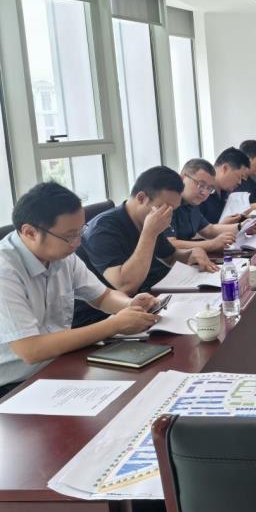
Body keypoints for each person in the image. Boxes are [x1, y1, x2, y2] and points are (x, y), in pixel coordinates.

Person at [0, 183, 160, 397]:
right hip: (15, 386)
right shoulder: (5, 272)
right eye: (69, 236)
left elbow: (102, 296)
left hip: (61, 362)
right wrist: (114, 324)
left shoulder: (62, 255)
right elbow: (31, 350)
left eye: (80, 231)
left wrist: (130, 305)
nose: (77, 243)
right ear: (30, 232)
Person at [78, 166, 214, 300]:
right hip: (110, 309)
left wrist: (191, 253)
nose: (168, 215)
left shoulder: (148, 218)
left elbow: (170, 257)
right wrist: (149, 233)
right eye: (164, 208)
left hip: (149, 294)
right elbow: (126, 286)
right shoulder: (101, 230)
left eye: (173, 210)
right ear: (142, 198)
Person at [167, 159, 242, 254]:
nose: (205, 193)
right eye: (201, 185)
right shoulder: (168, 203)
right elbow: (170, 244)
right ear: (182, 178)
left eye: (210, 188)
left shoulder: (192, 203)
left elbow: (209, 230)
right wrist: (211, 244)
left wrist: (241, 226)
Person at [199, 147, 251, 225]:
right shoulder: (200, 194)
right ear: (225, 168)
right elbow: (196, 231)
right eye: (239, 177)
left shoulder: (225, 193)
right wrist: (222, 226)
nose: (240, 182)